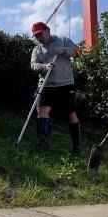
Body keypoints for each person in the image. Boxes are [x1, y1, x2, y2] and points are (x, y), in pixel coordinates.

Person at [30, 21, 82, 154]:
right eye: (36, 36)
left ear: (47, 30)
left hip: (65, 83)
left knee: (70, 114)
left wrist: (65, 50)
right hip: (46, 84)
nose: (39, 38)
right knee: (41, 111)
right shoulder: (37, 49)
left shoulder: (63, 40)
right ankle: (43, 144)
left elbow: (78, 52)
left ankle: (76, 148)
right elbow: (33, 65)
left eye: (40, 34)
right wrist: (44, 66)